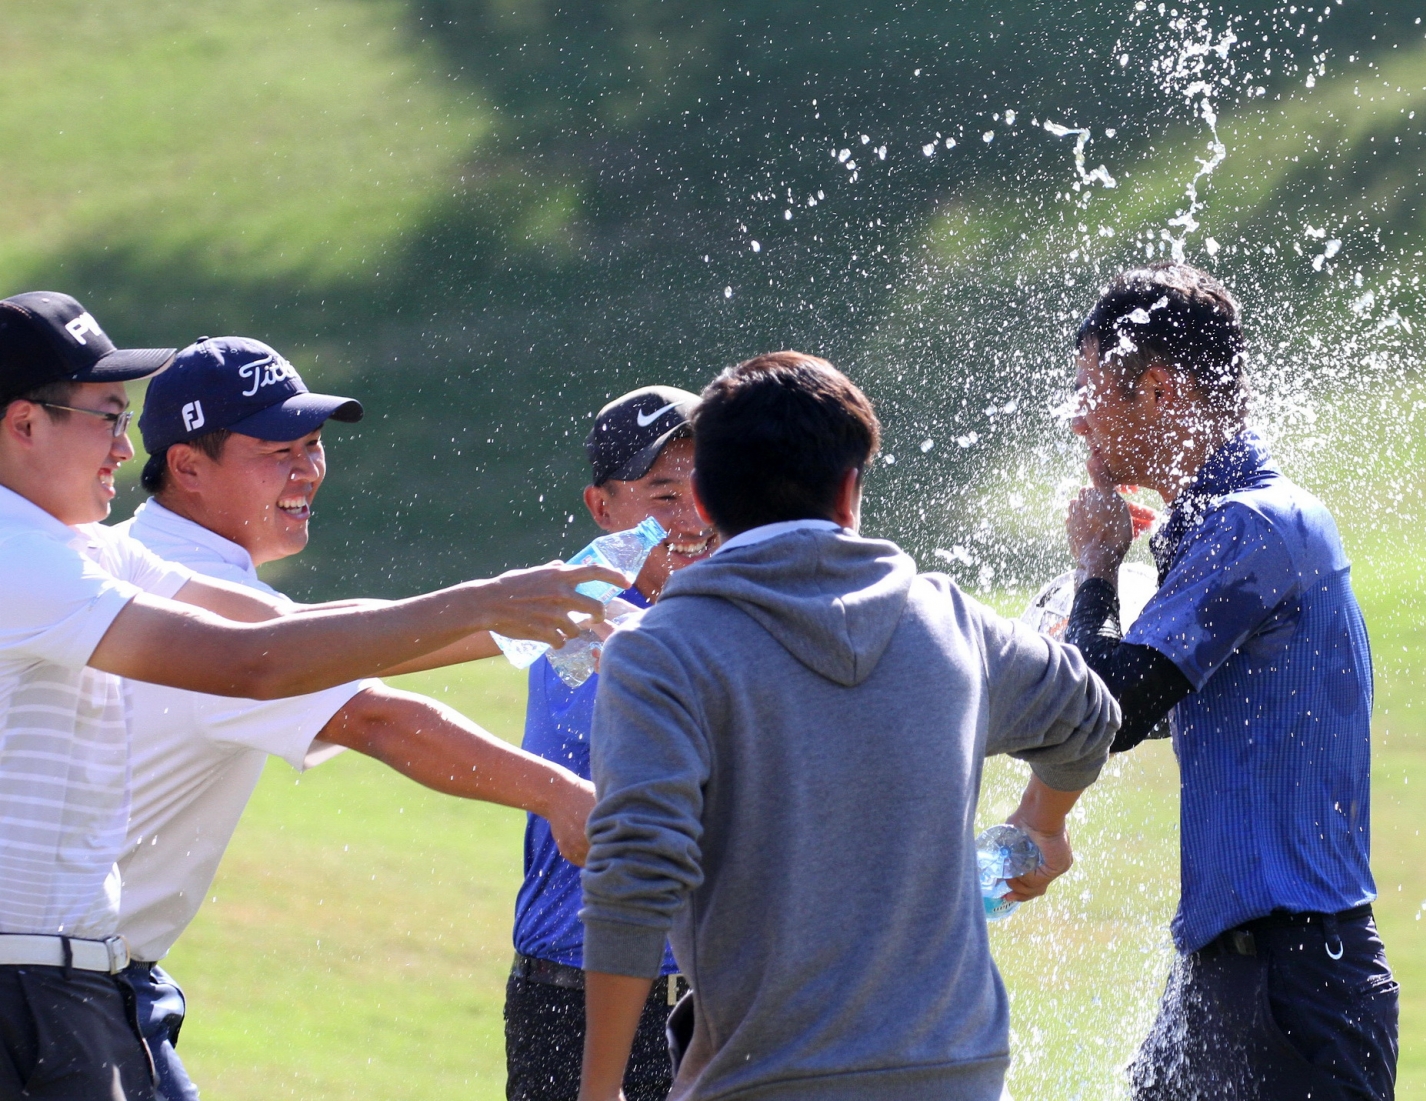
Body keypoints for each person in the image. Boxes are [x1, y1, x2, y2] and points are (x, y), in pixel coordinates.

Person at [0, 291, 621, 1101]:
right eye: (109, 417)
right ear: (23, 424)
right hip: (32, 992)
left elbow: (307, 626)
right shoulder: (26, 562)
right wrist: (562, 789)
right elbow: (270, 666)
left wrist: (531, 610)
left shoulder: (82, 549)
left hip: (78, 982)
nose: (122, 446)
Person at [576, 353, 1121, 1101]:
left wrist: (598, 1091)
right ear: (850, 488)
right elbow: (1088, 715)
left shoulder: (659, 652)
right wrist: (1044, 824)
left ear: (701, 498)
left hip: (764, 1078)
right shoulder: (952, 621)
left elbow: (636, 871)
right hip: (956, 1074)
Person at [1059, 262, 1398, 1100]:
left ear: (1163, 393)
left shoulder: (1253, 524)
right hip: (1241, 976)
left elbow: (1110, 704)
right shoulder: (1232, 528)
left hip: (1290, 989)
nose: (1076, 419)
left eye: (1091, 388)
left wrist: (1096, 570)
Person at [506, 386, 718, 1101]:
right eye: (664, 493)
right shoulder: (575, 616)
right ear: (603, 509)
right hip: (575, 1001)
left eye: (707, 483)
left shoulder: (714, 610)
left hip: (711, 994)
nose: (693, 516)